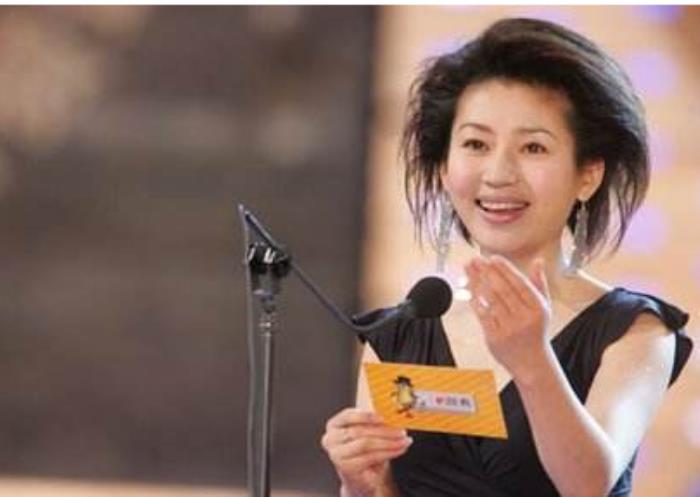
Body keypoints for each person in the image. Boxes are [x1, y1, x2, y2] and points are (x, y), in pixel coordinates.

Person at [320, 17, 694, 497]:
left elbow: (587, 486)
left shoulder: (634, 332)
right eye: (475, 144)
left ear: (588, 175)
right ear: (444, 167)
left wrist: (532, 360)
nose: (498, 173)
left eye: (533, 147)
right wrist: (361, 485)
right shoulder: (400, 335)